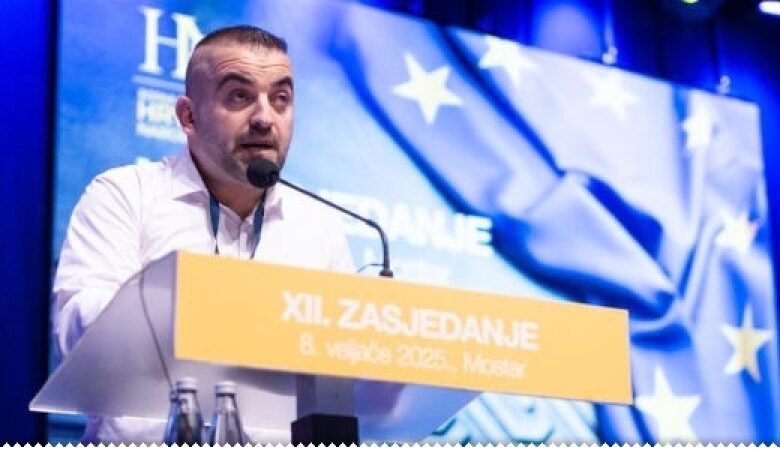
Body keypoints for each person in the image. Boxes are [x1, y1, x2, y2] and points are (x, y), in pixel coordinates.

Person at [52, 25, 353, 444]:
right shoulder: (126, 195)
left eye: (280, 99)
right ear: (188, 117)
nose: (265, 118)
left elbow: (343, 371)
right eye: (239, 96)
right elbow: (77, 332)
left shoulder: (319, 225)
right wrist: (201, 313)